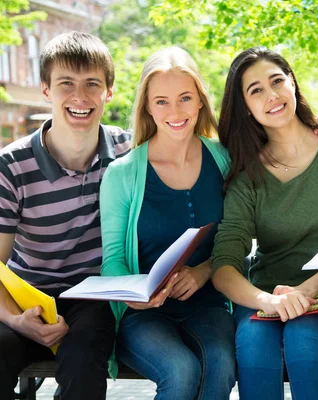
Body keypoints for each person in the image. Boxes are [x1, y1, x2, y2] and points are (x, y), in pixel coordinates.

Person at [210, 47, 318, 400]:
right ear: (244, 106)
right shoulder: (245, 174)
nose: (271, 95)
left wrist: (305, 293)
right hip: (267, 295)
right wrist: (266, 301)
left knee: (304, 342)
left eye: (277, 81)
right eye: (255, 90)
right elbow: (224, 264)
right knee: (255, 344)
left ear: (293, 84)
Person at [99, 47, 236, 400]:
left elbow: (241, 239)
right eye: (161, 101)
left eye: (185, 98)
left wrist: (205, 270)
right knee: (180, 370)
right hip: (144, 316)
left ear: (201, 102)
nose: (175, 112)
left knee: (220, 364)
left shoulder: (224, 159)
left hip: (209, 304)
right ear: (146, 106)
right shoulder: (123, 173)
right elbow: (113, 259)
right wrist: (135, 296)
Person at [0, 32, 124, 399]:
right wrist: (13, 318)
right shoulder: (11, 165)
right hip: (23, 296)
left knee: (85, 361)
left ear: (109, 92)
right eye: (66, 83)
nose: (80, 97)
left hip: (92, 297)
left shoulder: (127, 151)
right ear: (46, 90)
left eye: (92, 84)